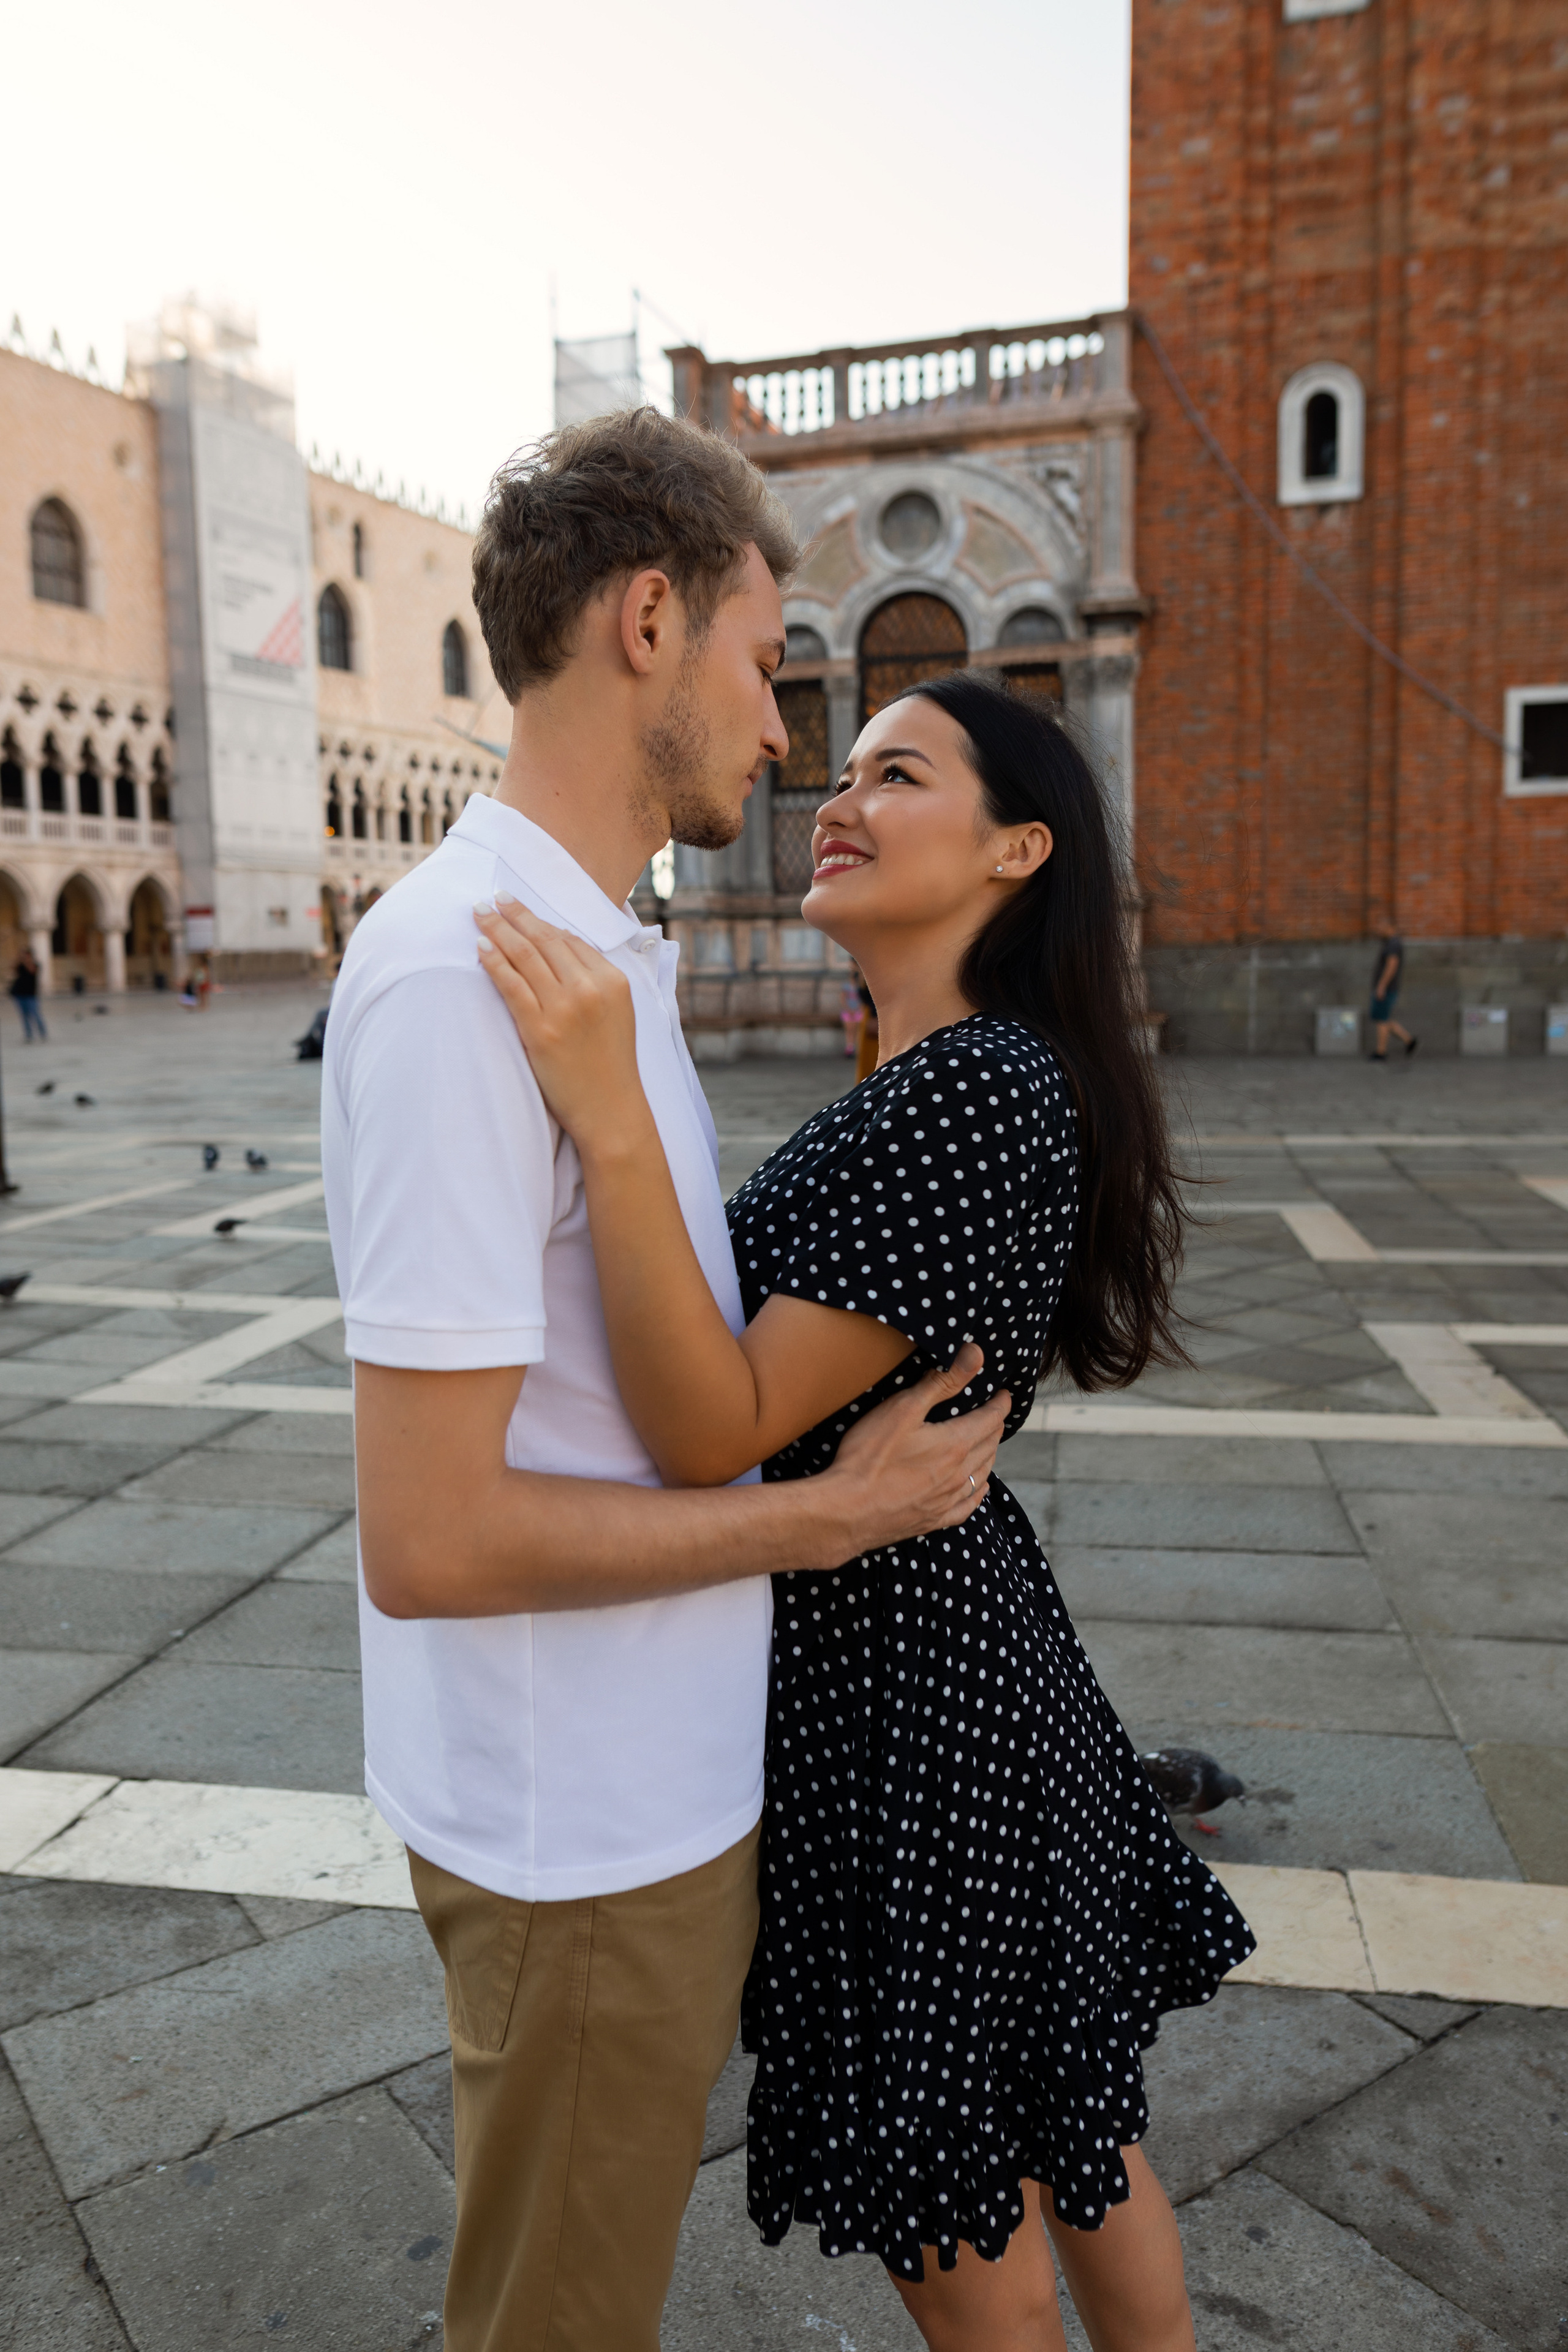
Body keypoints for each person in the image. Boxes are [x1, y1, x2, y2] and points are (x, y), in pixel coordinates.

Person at [321, 409, 1008, 2352]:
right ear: (646, 620)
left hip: (637, 1799)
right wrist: (830, 1513)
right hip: (579, 1832)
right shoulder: (469, 979)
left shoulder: (584, 954)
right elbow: (432, 1533)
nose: (786, 725)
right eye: (761, 659)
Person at [475, 671, 1256, 2352]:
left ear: (1014, 852)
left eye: (897, 776)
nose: (834, 796)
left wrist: (611, 1118)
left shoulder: (966, 1092)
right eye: (841, 767)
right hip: (958, 1654)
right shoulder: (966, 1078)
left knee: (966, 2205)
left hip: (903, 1703)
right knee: (1078, 2141)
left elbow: (715, 1428)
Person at [1369, 932, 1417, 1058]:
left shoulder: (1393, 944)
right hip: (1387, 988)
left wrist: (1382, 986)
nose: (1377, 929)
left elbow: (1392, 965)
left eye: (1379, 924)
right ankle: (1409, 1041)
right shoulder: (1391, 943)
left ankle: (1381, 1052)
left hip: (1386, 989)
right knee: (1384, 1018)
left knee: (1382, 1020)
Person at [9, 949, 45, 1042]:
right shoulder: (20, 966)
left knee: (35, 1014)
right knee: (24, 1015)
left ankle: (42, 1032)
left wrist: (27, 962)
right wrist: (19, 960)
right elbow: (13, 969)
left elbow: (32, 971)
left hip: (31, 994)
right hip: (20, 994)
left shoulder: (35, 965)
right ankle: (29, 1034)